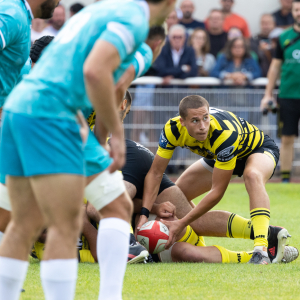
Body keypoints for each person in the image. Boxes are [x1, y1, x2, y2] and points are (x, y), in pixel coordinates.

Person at [0, 2, 176, 300]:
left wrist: (97, 138)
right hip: (55, 115)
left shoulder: (100, 11)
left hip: (18, 108)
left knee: (23, 221)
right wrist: (115, 137)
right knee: (72, 220)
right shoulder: (140, 29)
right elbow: (105, 77)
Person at [90, 92, 297, 266]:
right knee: (179, 196)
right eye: (195, 121)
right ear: (182, 122)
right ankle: (266, 233)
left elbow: (217, 192)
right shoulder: (172, 130)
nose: (202, 126)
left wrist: (180, 224)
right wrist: (146, 212)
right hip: (216, 155)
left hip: (255, 149)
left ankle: (261, 245)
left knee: (252, 176)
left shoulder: (224, 134)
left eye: (205, 118)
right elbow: (155, 173)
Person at [261, 0, 300, 183]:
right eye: (297, 9)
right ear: (292, 12)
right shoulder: (284, 37)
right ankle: (285, 178)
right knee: (286, 138)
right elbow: (275, 68)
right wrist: (268, 94)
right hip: (287, 96)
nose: (299, 13)